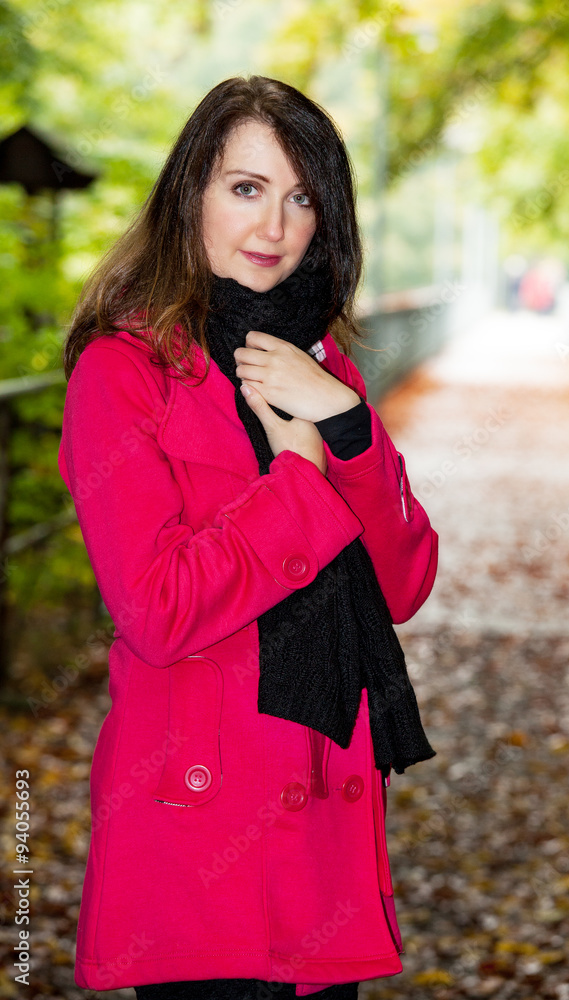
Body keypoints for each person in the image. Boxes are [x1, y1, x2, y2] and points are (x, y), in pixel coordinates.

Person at [58, 74, 439, 1000]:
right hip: (200, 835)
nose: (273, 224)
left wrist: (347, 426)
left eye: (301, 196)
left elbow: (401, 583)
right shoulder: (124, 374)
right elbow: (156, 609)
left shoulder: (316, 360)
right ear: (189, 194)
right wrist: (299, 481)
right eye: (245, 188)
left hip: (321, 826)